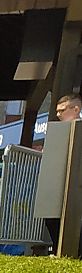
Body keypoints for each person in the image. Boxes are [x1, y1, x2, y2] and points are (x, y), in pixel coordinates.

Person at [38, 93, 80, 252]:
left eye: (62, 110)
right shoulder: (58, 132)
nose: (58, 114)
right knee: (51, 219)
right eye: (57, 111)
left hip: (75, 187)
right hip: (57, 186)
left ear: (76, 109)